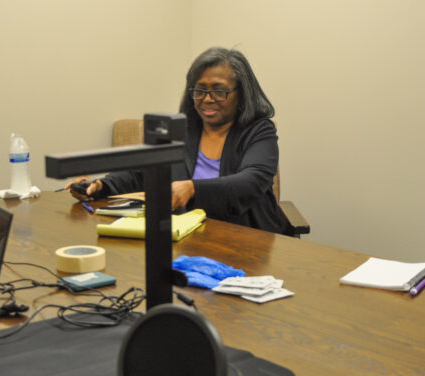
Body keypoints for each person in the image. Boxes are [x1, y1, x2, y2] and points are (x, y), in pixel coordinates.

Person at [66, 46, 292, 235]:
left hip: (244, 241)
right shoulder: (181, 130)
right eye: (200, 90)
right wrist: (100, 185)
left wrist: (193, 188)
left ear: (241, 94)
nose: (207, 99)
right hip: (184, 239)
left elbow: (251, 182)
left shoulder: (259, 131)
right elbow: (141, 173)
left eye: (219, 91)